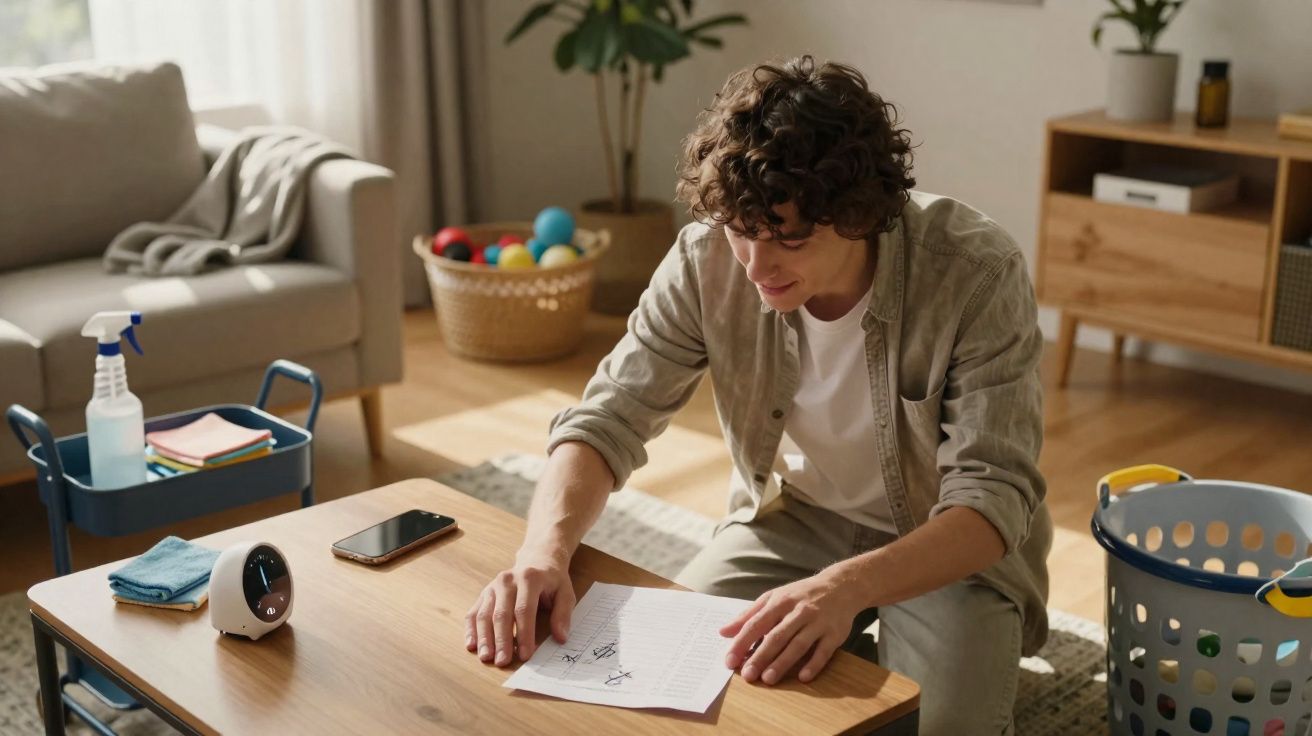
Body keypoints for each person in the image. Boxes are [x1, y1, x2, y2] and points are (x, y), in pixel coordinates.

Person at [464, 55, 1051, 735]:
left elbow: (992, 499)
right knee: (666, 687)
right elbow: (606, 418)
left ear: (860, 214)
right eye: (741, 232)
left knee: (941, 726)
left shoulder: (976, 272)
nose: (756, 265)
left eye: (789, 238)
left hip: (942, 542)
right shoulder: (707, 258)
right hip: (796, 517)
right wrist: (543, 552)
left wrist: (844, 589)